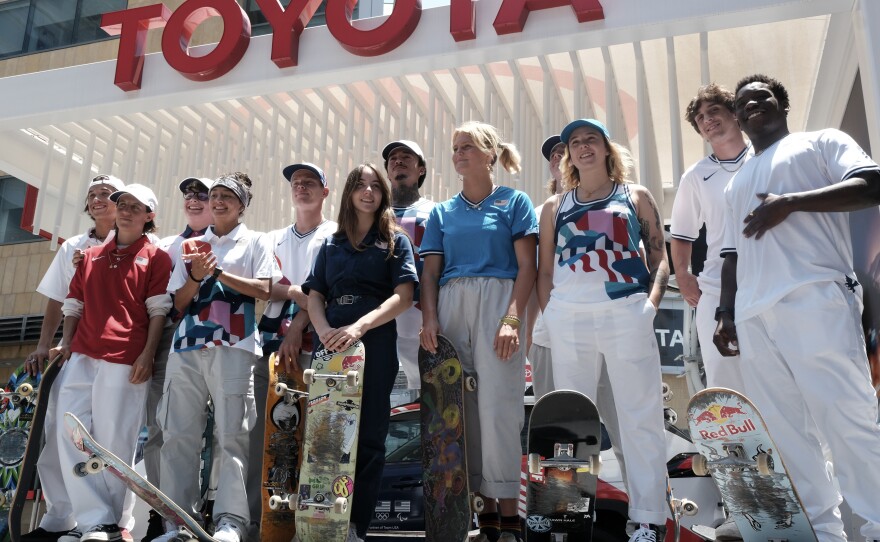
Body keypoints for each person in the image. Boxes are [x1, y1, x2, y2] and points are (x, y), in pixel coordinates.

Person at [713, 74, 880, 542]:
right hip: (753, 315)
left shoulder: (822, 141)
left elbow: (871, 184)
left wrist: (792, 203)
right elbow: (731, 254)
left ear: (782, 104)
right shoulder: (736, 181)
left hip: (816, 295)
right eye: (743, 104)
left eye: (761, 97)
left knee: (848, 419)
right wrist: (725, 313)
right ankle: (824, 533)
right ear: (740, 119)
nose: (752, 106)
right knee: (788, 434)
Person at [536, 118, 669, 542]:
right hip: (569, 316)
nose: (583, 147)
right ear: (569, 155)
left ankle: (647, 520)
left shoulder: (635, 195)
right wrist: (551, 312)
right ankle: (569, 518)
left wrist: (649, 306)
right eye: (575, 142)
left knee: (639, 417)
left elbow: (659, 254)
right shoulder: (554, 207)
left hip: (625, 308)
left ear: (607, 148)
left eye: (591, 139)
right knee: (571, 421)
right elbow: (544, 271)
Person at [420, 121, 537, 542]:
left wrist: (512, 319)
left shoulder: (514, 201)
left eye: (467, 146)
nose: (459, 153)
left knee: (500, 409)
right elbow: (429, 272)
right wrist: (429, 318)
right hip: (451, 303)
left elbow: (528, 267)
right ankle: (482, 516)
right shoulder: (441, 212)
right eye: (454, 148)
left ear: (489, 154)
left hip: (498, 301)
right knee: (458, 413)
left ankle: (511, 517)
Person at [156, 173, 280, 542]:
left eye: (227, 196)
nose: (218, 201)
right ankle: (177, 522)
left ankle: (231, 520)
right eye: (214, 196)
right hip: (187, 347)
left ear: (242, 205)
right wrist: (196, 275)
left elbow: (265, 289)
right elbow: (178, 303)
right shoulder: (191, 245)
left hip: (236, 345)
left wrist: (219, 272)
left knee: (232, 435)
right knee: (178, 434)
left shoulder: (257, 240)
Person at [302, 163, 417, 542]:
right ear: (349, 193)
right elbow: (314, 294)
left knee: (368, 436)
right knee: (325, 435)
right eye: (360, 186)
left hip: (375, 342)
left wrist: (360, 327)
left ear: (383, 194)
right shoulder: (330, 243)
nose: (368, 192)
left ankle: (353, 526)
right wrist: (323, 331)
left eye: (375, 186)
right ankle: (318, 523)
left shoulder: (396, 241)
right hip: (330, 341)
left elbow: (403, 296)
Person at [21, 174, 139, 542]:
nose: (97, 199)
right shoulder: (73, 244)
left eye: (106, 194)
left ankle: (113, 522)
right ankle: (61, 517)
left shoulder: (135, 241)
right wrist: (46, 343)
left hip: (119, 352)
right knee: (61, 432)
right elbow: (58, 298)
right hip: (76, 350)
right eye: (91, 195)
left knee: (112, 436)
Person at [55, 184, 172, 542]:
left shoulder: (157, 257)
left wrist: (147, 355)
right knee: (70, 433)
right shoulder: (88, 256)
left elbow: (158, 312)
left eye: (136, 207)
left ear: (148, 216)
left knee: (113, 440)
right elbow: (73, 304)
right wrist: (65, 343)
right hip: (82, 354)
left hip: (125, 358)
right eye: (123, 204)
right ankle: (89, 521)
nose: (126, 210)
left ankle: (112, 524)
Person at [246, 162, 336, 530]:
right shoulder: (271, 238)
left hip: (317, 347)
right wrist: (297, 293)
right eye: (296, 183)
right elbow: (263, 286)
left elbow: (328, 289)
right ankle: (258, 522)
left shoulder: (336, 235)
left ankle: (310, 525)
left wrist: (299, 322)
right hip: (269, 348)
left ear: (325, 192)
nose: (301, 188)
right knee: (264, 437)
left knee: (315, 439)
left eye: (310, 183)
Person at [142, 176, 216, 542]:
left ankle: (215, 510)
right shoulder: (167, 245)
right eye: (189, 194)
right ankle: (164, 512)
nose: (194, 200)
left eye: (203, 194)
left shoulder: (236, 239)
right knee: (161, 427)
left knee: (222, 430)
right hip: (172, 338)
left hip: (224, 339)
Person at [671, 83, 750, 396]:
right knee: (725, 382)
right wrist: (682, 274)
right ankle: (736, 446)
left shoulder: (765, 158)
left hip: (768, 283)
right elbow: (681, 232)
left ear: (734, 113)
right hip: (716, 290)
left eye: (714, 110)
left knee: (776, 378)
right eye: (700, 117)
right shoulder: (696, 175)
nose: (707, 119)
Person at [382, 139, 435, 389]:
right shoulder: (373, 215)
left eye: (406, 157)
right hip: (382, 317)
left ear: (421, 169)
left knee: (427, 393)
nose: (398, 161)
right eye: (393, 158)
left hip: (423, 319)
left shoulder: (437, 212)